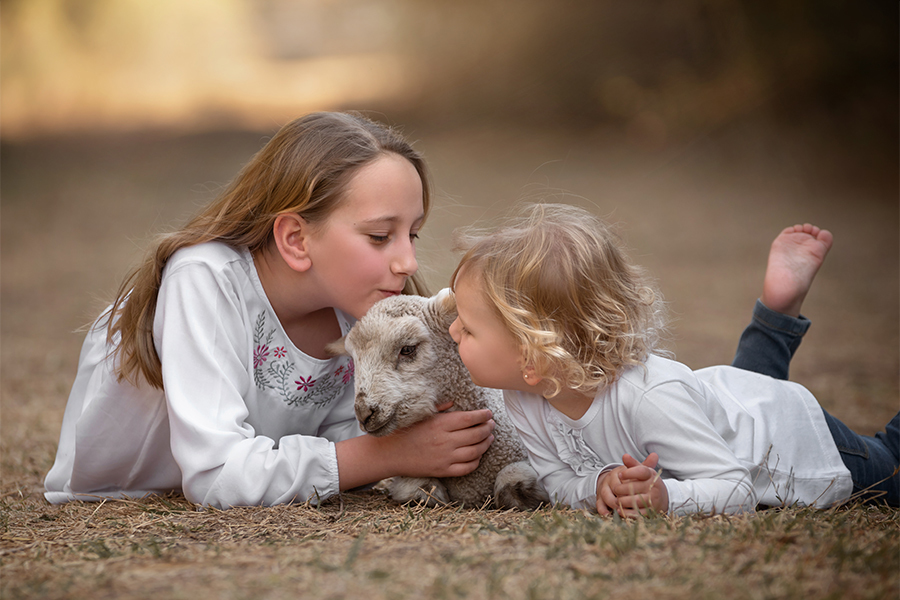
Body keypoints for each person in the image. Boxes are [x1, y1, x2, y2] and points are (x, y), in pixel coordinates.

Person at [44, 112, 497, 508]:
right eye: (380, 237)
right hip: (116, 491)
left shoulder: (357, 308)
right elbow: (215, 474)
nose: (408, 262)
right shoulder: (203, 280)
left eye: (412, 234)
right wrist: (391, 454)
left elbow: (339, 435)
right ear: (296, 240)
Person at [447, 203, 899, 517]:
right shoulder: (523, 394)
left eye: (467, 327)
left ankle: (776, 319)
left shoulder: (649, 398)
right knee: (739, 396)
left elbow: (736, 489)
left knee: (891, 465)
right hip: (725, 406)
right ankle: (776, 314)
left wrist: (666, 499)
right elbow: (559, 482)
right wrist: (599, 485)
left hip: (789, 441)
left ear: (533, 356)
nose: (452, 331)